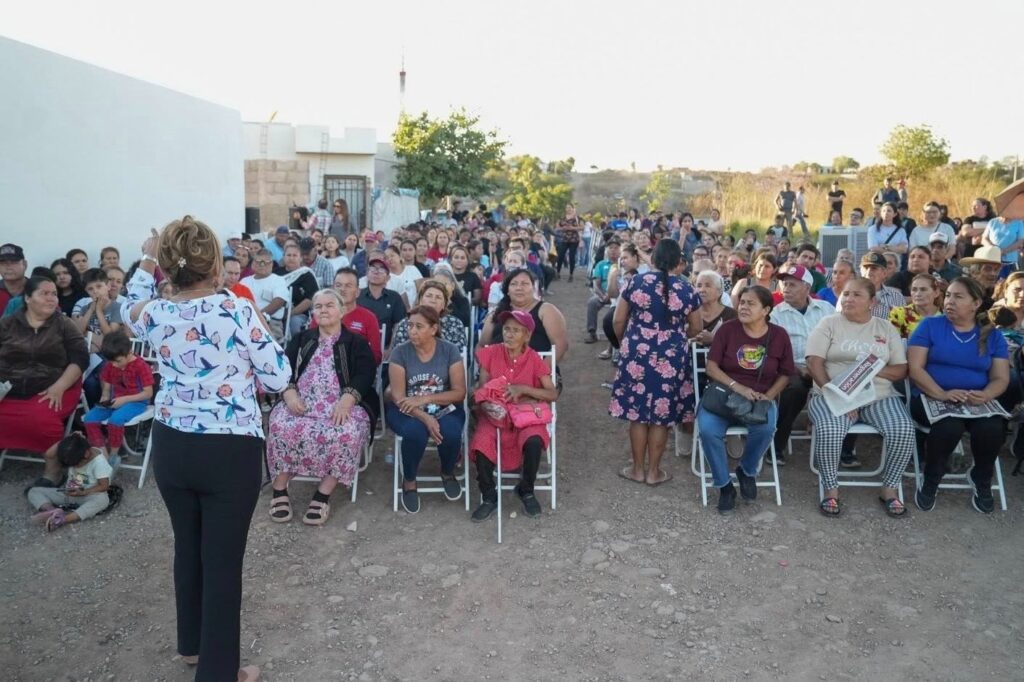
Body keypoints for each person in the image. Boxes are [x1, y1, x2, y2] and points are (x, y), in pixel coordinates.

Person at [122, 216, 290, 682]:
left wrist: (147, 257)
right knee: (222, 563)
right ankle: (218, 672)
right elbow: (277, 376)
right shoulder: (236, 310)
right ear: (216, 266)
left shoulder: (155, 311)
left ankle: (193, 646)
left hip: (173, 446)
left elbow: (127, 306)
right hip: (228, 451)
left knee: (188, 547)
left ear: (170, 269)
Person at [266, 289, 379, 526]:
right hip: (302, 402)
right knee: (280, 424)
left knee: (346, 431)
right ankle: (279, 488)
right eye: (318, 306)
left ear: (341, 310)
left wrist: (347, 400)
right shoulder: (302, 338)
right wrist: (289, 393)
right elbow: (283, 369)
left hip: (341, 403)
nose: (324, 310)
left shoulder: (355, 342)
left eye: (329, 305)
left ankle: (323, 493)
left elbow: (365, 373)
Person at [805, 278, 915, 518]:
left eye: (856, 295)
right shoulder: (829, 323)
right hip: (831, 392)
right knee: (831, 429)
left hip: (878, 395)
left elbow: (900, 370)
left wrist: (870, 369)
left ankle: (889, 487)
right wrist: (837, 396)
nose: (848, 299)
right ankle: (831, 489)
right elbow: (814, 362)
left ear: (872, 302)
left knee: (903, 429)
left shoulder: (885, 328)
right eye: (845, 294)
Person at [908, 277, 1009, 514]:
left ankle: (981, 478)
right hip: (930, 395)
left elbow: (1001, 378)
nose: (950, 301)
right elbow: (915, 369)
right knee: (949, 427)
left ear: (975, 303)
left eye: (958, 296)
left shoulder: (992, 336)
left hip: (975, 400)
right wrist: (942, 393)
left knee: (993, 428)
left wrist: (985, 395)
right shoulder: (930, 326)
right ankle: (931, 479)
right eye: (949, 295)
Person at [610, 239, 701, 486]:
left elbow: (618, 321)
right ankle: (654, 472)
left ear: (654, 258)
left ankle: (637, 470)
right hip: (671, 355)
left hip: (637, 351)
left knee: (638, 414)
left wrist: (625, 343)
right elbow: (696, 327)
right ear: (678, 262)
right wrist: (676, 337)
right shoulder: (687, 289)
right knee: (662, 413)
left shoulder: (635, 282)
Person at [696, 286, 795, 512]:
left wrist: (768, 397)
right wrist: (738, 388)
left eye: (751, 303)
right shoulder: (727, 330)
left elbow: (786, 373)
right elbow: (711, 368)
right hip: (724, 396)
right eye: (742, 302)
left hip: (760, 397)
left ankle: (747, 470)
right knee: (708, 431)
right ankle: (724, 486)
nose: (743, 307)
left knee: (766, 427)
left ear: (766, 310)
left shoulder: (778, 335)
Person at [469, 309, 558, 521]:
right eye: (507, 329)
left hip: (525, 415)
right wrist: (488, 403)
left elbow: (552, 393)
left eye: (516, 330)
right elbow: (481, 389)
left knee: (535, 441)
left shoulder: (535, 359)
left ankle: (526, 489)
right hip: (495, 415)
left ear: (527, 335)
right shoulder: (491, 353)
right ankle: (489, 495)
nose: (509, 334)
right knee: (481, 442)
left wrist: (523, 389)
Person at [0, 276, 88, 482]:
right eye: (44, 293)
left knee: (40, 417)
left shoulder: (64, 324)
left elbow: (80, 358)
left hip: (56, 385)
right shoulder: (8, 324)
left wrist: (59, 386)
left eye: (54, 294)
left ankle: (52, 470)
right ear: (28, 298)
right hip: (8, 387)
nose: (51, 299)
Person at [386, 305, 467, 514]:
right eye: (410, 326)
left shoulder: (449, 350)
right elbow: (398, 396)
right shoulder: (400, 352)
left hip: (443, 406)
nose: (412, 331)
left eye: (418, 326)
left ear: (433, 328)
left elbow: (459, 393)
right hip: (405, 409)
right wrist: (424, 417)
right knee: (415, 432)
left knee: (450, 431)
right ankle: (410, 480)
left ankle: (447, 472)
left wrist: (426, 398)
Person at [770, 264, 836, 464]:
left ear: (807, 287)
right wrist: (800, 369)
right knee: (794, 389)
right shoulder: (775, 314)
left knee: (847, 384)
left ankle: (843, 448)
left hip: (827, 367)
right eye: (784, 284)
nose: (786, 289)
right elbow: (776, 352)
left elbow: (839, 339)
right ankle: (776, 445)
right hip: (794, 368)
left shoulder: (826, 309)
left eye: (792, 284)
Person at [82, 330, 154, 466]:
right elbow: (107, 387)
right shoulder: (111, 364)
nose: (114, 365)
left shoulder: (141, 366)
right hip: (115, 401)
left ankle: (114, 455)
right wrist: (104, 397)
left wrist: (125, 399)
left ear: (129, 353)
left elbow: (148, 393)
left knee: (116, 420)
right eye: (111, 362)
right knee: (89, 419)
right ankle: (103, 455)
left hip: (137, 401)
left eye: (118, 361)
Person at [482, 268, 568, 365]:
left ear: (534, 288)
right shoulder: (496, 313)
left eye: (525, 284)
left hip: (537, 372)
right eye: (514, 284)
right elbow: (482, 345)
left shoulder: (546, 310)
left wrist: (540, 373)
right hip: (498, 373)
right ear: (508, 291)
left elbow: (561, 345)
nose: (519, 288)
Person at [26, 433, 110, 532]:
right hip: (68, 492)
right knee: (34, 491)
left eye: (77, 464)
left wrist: (83, 492)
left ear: (86, 454)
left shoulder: (99, 462)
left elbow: (104, 486)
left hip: (87, 495)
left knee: (102, 500)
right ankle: (52, 511)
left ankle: (63, 519)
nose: (76, 467)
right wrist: (69, 438)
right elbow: (49, 454)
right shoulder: (76, 451)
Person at [390, 279, 467, 353]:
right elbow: (398, 353)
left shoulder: (455, 323)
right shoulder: (406, 323)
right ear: (420, 300)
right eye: (429, 296)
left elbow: (458, 354)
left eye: (438, 297)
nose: (433, 300)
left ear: (444, 304)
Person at [329, 267, 383, 364]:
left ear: (358, 292)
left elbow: (376, 356)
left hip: (357, 369)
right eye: (338, 285)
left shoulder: (369, 317)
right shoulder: (322, 314)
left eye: (348, 286)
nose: (342, 289)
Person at [358, 255, 407, 349]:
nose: (376, 272)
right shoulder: (357, 295)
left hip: (385, 348)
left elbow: (399, 324)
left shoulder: (394, 297)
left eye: (381, 270)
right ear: (367, 274)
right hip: (359, 348)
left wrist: (391, 348)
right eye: (373, 269)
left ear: (388, 278)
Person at [241, 248, 289, 342]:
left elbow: (279, 301)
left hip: (270, 323)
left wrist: (259, 316)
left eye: (266, 262)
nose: (262, 265)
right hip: (246, 322)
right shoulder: (244, 281)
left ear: (271, 264)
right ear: (253, 264)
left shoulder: (278, 280)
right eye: (258, 262)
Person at [841, 253, 905, 319]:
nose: (868, 273)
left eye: (874, 268)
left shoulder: (896, 296)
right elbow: (841, 321)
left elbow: (902, 323)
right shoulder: (848, 295)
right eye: (865, 268)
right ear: (860, 271)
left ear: (884, 273)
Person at [276, 243, 319, 337]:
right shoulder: (276, 273)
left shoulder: (306, 275)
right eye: (288, 255)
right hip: (276, 311)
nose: (291, 258)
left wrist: (290, 313)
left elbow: (310, 299)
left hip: (298, 314)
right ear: (283, 257)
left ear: (300, 258)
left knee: (294, 323)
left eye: (295, 255)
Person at [584, 238, 620, 344]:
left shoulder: (622, 264)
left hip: (620, 296)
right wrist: (602, 295)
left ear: (620, 250)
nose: (613, 250)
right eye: (611, 248)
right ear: (606, 250)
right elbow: (596, 284)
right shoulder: (600, 264)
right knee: (592, 302)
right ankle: (592, 332)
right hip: (603, 294)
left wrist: (611, 295)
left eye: (616, 248)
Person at [889, 273, 943, 338]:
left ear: (936, 293)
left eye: (923, 289)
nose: (918, 294)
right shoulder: (898, 314)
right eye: (914, 289)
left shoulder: (947, 316)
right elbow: (891, 342)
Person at [0, 243, 29, 314]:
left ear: (24, 264)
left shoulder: (38, 288)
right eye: (3, 263)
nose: (8, 267)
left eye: (14, 262)